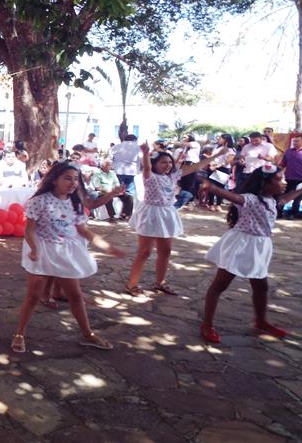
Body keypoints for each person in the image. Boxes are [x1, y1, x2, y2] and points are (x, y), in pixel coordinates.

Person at [11, 162, 124, 353]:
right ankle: (20, 333)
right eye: (67, 178)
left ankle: (88, 334)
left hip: (65, 252)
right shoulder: (39, 201)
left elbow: (83, 230)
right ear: (54, 179)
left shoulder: (75, 202)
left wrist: (107, 247)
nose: (73, 183)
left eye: (75, 179)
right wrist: (33, 248)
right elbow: (29, 230)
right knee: (32, 296)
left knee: (76, 296)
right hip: (43, 250)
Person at [200, 164, 302, 343]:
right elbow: (233, 197)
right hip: (241, 245)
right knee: (219, 285)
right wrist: (214, 188)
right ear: (265, 182)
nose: (284, 182)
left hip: (260, 247)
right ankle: (207, 325)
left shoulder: (271, 200)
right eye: (279, 179)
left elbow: (284, 200)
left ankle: (261, 321)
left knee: (261, 287)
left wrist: (300, 190)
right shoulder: (251, 199)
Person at [125, 143, 225, 296]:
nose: (168, 165)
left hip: (167, 213)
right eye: (163, 162)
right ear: (154, 164)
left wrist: (216, 156)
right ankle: (132, 284)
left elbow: (195, 166)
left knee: (166, 251)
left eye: (170, 162)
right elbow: (146, 167)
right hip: (151, 213)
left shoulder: (173, 176)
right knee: (144, 252)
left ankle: (160, 282)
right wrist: (145, 153)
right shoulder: (149, 176)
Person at [206, 134, 236, 211]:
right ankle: (211, 204)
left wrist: (217, 166)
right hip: (212, 167)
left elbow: (228, 160)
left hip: (223, 169)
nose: (219, 139)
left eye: (220, 138)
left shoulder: (231, 149)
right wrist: (211, 163)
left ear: (226, 140)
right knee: (211, 186)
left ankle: (218, 204)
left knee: (220, 187)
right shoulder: (216, 147)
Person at [280, 135, 302, 218]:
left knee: (297, 198)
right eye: (294, 141)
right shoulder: (288, 152)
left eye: (297, 141)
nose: (294, 143)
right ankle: (279, 213)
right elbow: (283, 164)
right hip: (288, 178)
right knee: (283, 196)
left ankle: (293, 214)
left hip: (300, 180)